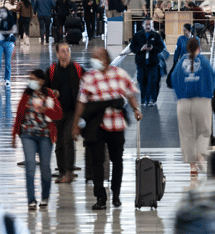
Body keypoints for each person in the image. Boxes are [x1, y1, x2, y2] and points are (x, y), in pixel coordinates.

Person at [74, 48, 143, 211]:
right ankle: (100, 197)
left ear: (104, 58)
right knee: (97, 162)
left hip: (117, 124)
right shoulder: (88, 77)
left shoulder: (120, 74)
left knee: (117, 160)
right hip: (96, 125)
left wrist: (136, 109)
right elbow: (81, 101)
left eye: (95, 57)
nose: (93, 60)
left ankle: (116, 194)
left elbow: (130, 93)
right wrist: (75, 123)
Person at [11, 69, 63, 210]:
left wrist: (45, 110)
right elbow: (19, 114)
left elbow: (58, 114)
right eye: (30, 78)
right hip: (27, 134)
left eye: (34, 79)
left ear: (41, 80)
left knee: (45, 167)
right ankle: (31, 200)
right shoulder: (27, 94)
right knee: (30, 166)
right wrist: (15, 134)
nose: (31, 81)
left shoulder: (50, 95)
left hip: (45, 136)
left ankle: (45, 197)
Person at [170, 37, 215, 177]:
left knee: (186, 134)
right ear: (199, 48)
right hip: (201, 100)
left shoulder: (180, 63)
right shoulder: (204, 61)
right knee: (204, 130)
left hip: (183, 103)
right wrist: (209, 93)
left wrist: (181, 94)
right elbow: (212, 76)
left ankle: (192, 166)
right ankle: (200, 152)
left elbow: (173, 78)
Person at [47, 45, 84, 184]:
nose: (66, 53)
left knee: (68, 140)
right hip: (57, 113)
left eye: (68, 50)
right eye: (63, 51)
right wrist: (51, 93)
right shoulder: (51, 71)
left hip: (73, 112)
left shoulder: (78, 70)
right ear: (57, 54)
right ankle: (62, 171)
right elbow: (44, 88)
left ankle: (69, 172)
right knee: (59, 143)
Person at [128, 19, 166, 107]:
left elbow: (161, 47)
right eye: (147, 24)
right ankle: (143, 99)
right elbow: (132, 47)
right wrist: (141, 49)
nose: (148, 26)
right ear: (143, 25)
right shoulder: (137, 35)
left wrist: (153, 48)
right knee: (142, 80)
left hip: (153, 63)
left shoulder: (156, 35)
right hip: (141, 63)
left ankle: (150, 99)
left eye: (150, 24)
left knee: (152, 81)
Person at [0, 7, 16, 85]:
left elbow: (14, 30)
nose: (2, 13)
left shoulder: (11, 19)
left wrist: (6, 32)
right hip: (0, 42)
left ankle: (7, 79)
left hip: (9, 42)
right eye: (0, 12)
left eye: (4, 12)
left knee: (7, 61)